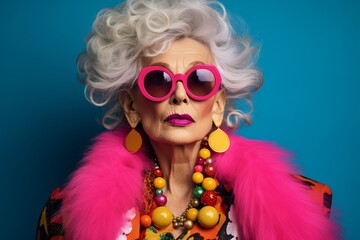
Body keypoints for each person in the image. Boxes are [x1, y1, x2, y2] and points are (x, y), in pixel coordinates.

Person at [36, 0, 341, 239]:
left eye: (199, 80)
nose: (180, 95)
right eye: (158, 80)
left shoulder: (305, 206)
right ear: (131, 106)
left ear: (218, 104)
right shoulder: (64, 216)